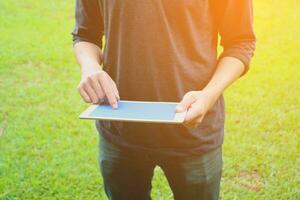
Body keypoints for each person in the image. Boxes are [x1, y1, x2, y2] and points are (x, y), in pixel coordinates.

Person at [72, 0, 256, 199]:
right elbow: (85, 33)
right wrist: (89, 66)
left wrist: (208, 96)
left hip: (192, 131)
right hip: (120, 131)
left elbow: (240, 42)